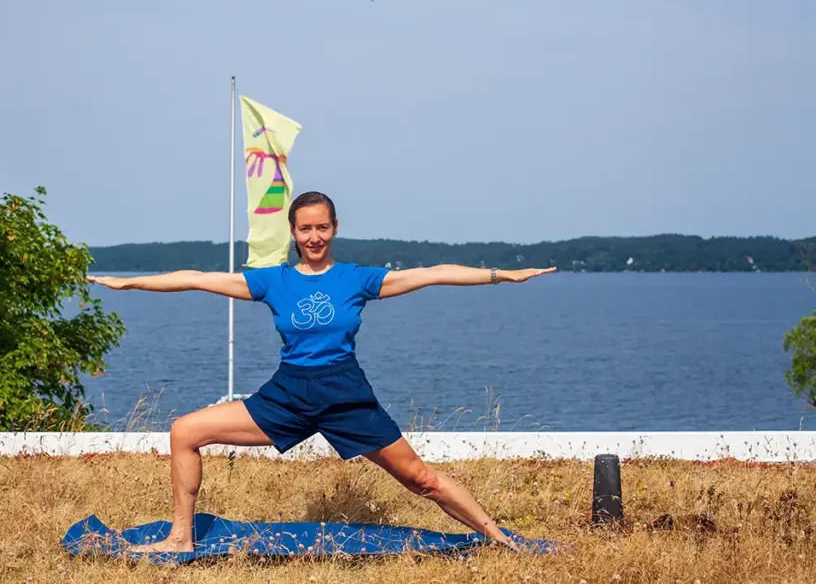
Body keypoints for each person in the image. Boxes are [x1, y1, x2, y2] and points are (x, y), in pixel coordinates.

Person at [86, 191, 556, 553]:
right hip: (287, 393)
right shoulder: (274, 280)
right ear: (293, 232)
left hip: (344, 392)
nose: (314, 237)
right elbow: (194, 278)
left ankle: (497, 536)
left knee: (421, 480)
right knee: (185, 431)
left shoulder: (356, 278)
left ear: (334, 229)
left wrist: (502, 275)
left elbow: (430, 272)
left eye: (322, 228)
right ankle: (181, 538)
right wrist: (129, 281)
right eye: (305, 229)